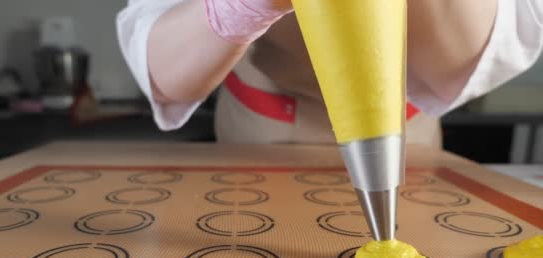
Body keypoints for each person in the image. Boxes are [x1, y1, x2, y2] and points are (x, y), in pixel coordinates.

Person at [117, 0, 543, 146]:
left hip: (406, 142)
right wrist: (240, 7)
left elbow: (484, 56)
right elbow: (161, 70)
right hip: (257, 132)